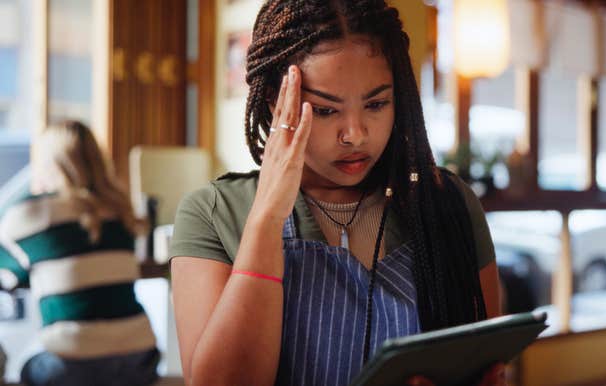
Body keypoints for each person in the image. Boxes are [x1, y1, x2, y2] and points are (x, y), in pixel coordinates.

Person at [169, 1, 503, 385]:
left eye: (377, 104)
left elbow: (481, 362)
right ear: (275, 103)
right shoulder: (213, 213)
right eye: (326, 111)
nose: (355, 134)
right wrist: (267, 216)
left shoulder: (447, 202)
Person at [0, 121, 159, 386]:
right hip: (141, 359)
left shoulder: (30, 214)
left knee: (27, 367)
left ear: (48, 162)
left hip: (73, 365)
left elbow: (8, 276)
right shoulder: (121, 212)